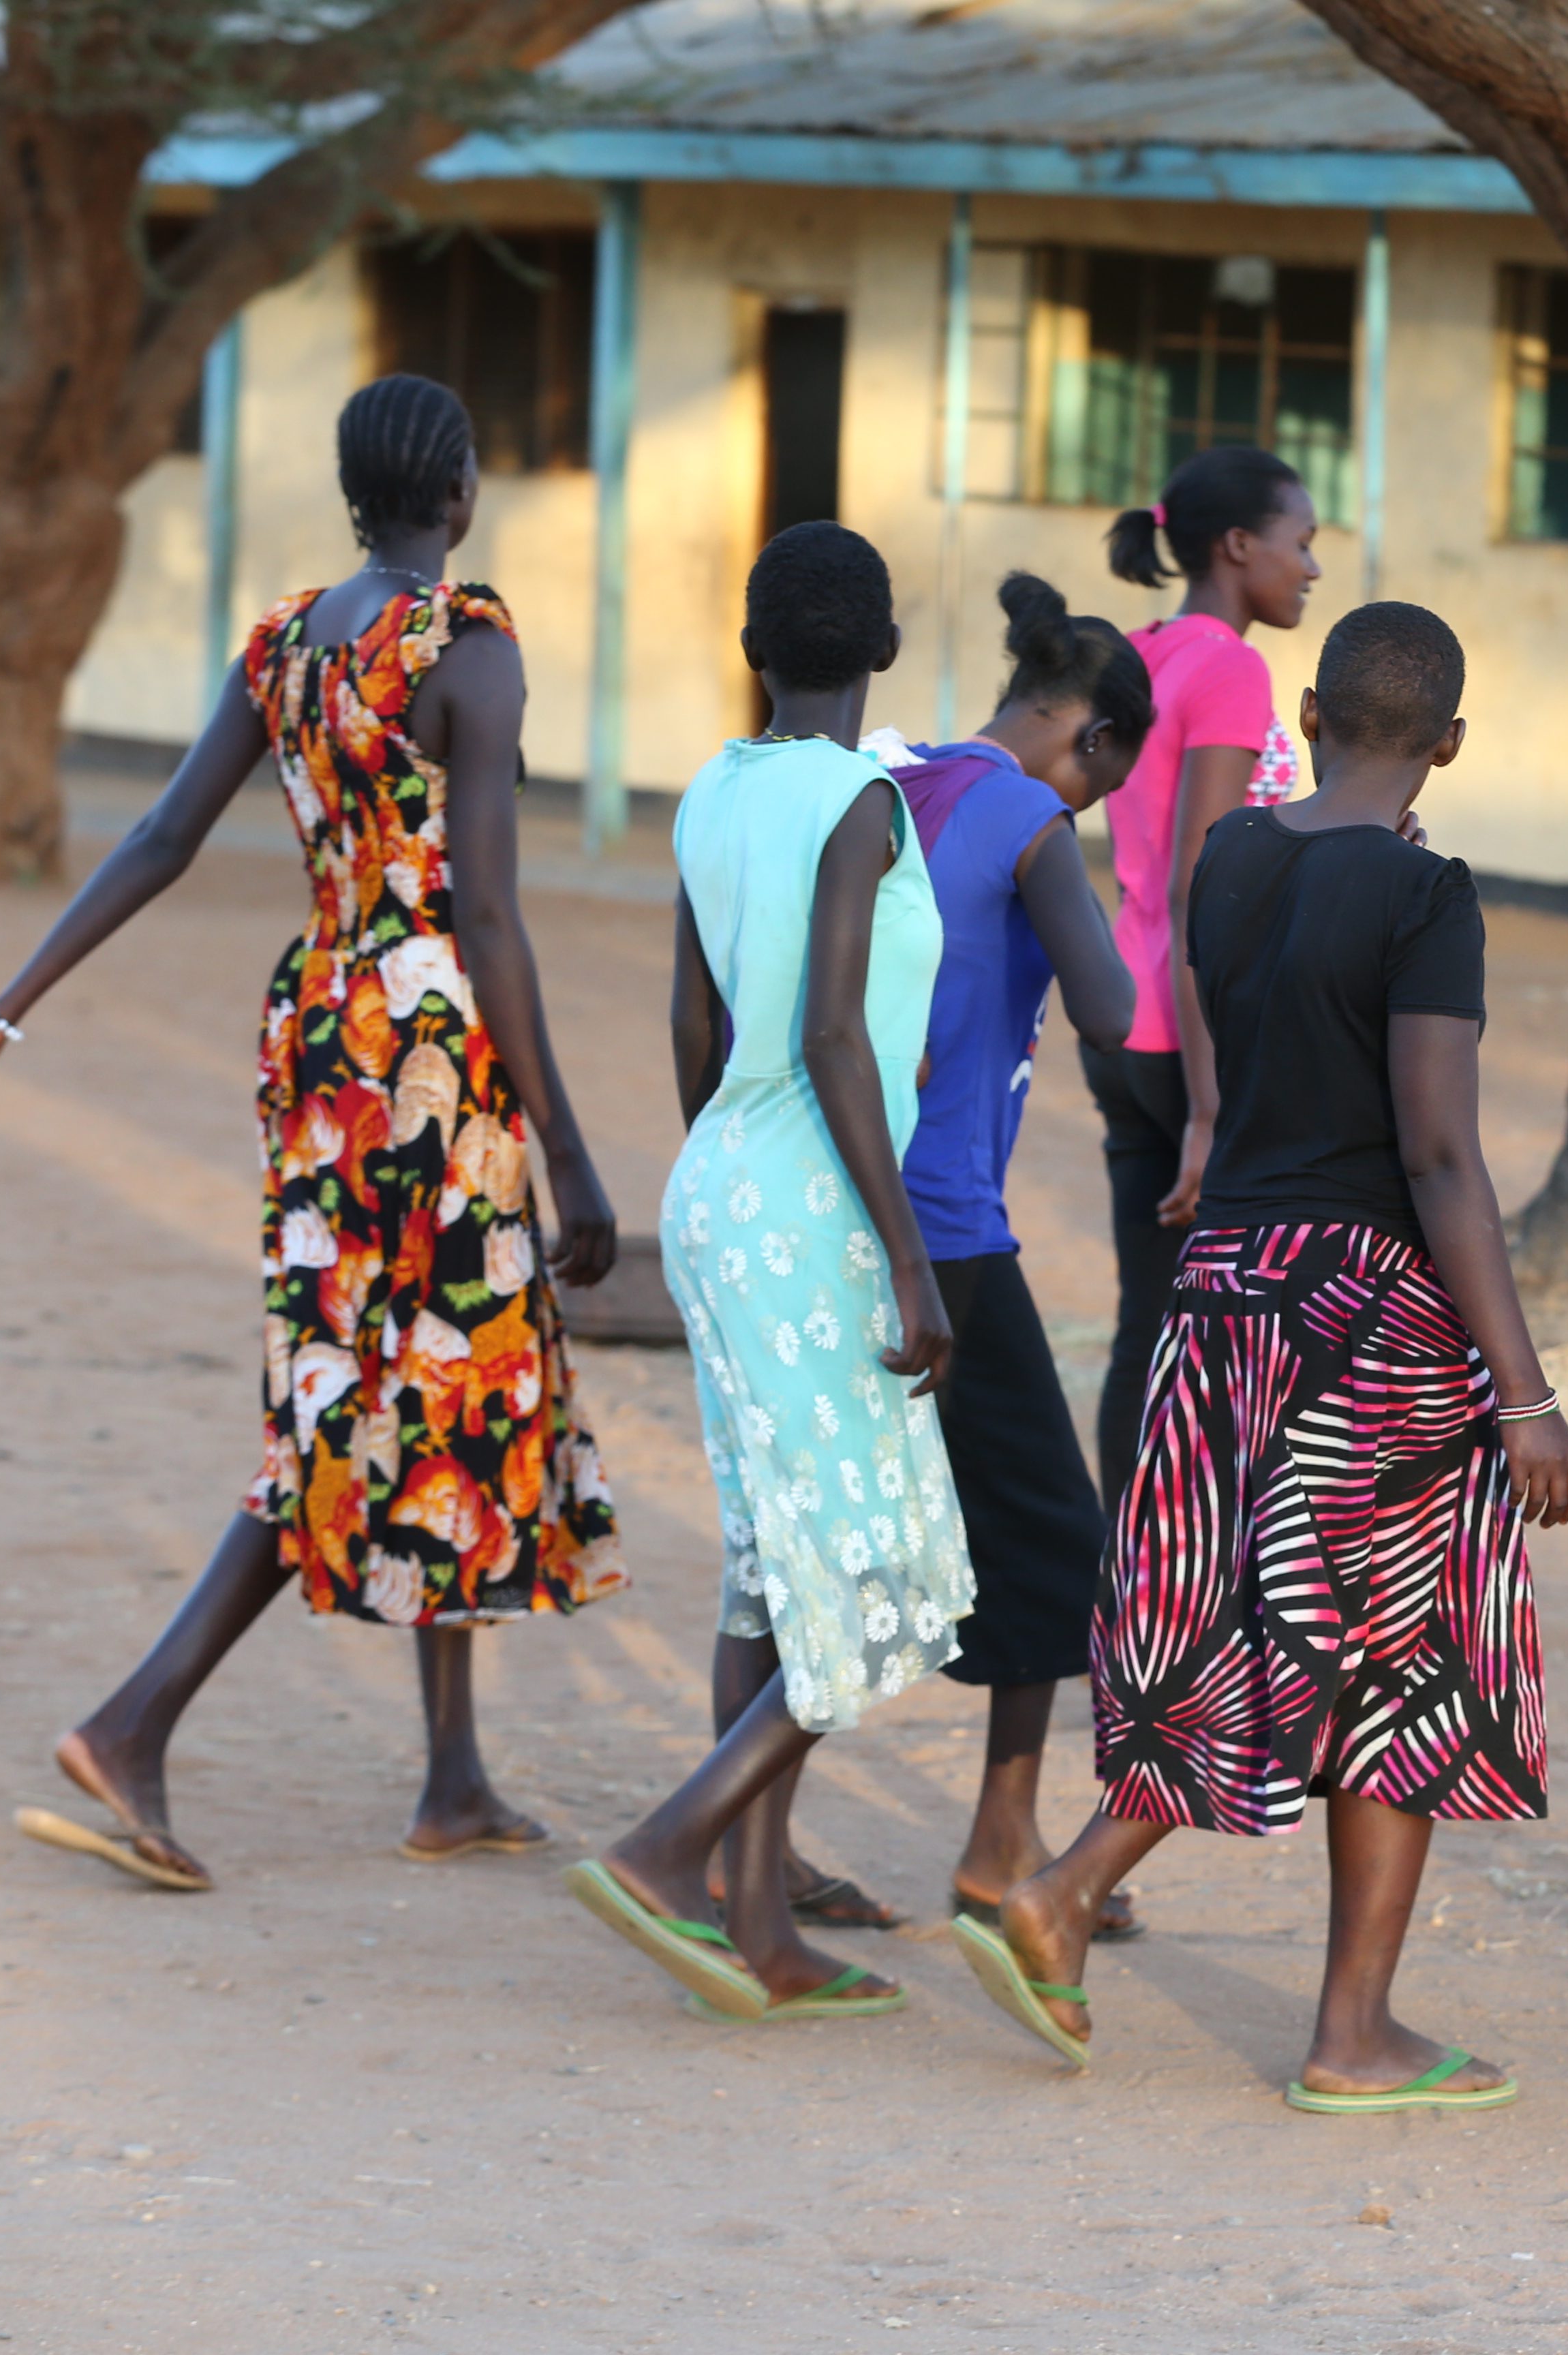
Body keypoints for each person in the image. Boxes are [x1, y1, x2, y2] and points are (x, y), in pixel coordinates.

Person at [0, 374, 627, 1894]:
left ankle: (451, 1775)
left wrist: (8, 1005)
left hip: (318, 1041)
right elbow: (486, 910)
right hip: (437, 1056)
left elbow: (164, 835)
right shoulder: (470, 650)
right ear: (460, 489)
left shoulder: (286, 642)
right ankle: (136, 1720)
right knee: (395, 1385)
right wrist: (566, 1144)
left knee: (388, 1368)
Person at [951, 601, 1568, 2115]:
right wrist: (1527, 1390)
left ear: (1307, 707)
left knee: (1249, 1613)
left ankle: (1089, 1898)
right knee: (1405, 1660)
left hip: (1222, 1288)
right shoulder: (1428, 893)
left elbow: (1217, 1071)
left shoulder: (1234, 855)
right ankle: (1315, 2014)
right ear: (1449, 742)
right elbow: (1438, 1154)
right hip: (1368, 1314)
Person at [562, 522, 970, 2022]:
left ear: (756, 651)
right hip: (812, 1204)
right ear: (880, 652)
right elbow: (834, 1035)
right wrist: (908, 1262)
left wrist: (724, 1187)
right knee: (882, 1570)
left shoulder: (718, 791)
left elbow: (694, 1022)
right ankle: (671, 1851)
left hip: (726, 1188)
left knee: (766, 1567)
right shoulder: (862, 800)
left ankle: (754, 1918)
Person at [890, 574, 1156, 1938]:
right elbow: (1115, 1013)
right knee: (1058, 1541)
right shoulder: (1032, 818)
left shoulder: (909, 780)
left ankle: (749, 1846)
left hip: (859, 1215)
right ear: (1092, 742)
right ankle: (1003, 1845)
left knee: (833, 1537)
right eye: (1114, 782)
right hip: (948, 1231)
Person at [1087, 445, 1322, 1500]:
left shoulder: (1142, 651)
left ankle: (1120, 1597)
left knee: (1147, 1327)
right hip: (1196, 1038)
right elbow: (1202, 886)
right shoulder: (1231, 665)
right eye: (1302, 543)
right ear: (1237, 548)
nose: (1312, 568)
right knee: (1227, 1346)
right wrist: (1208, 1105)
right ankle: (1186, 1601)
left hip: (1123, 1019)